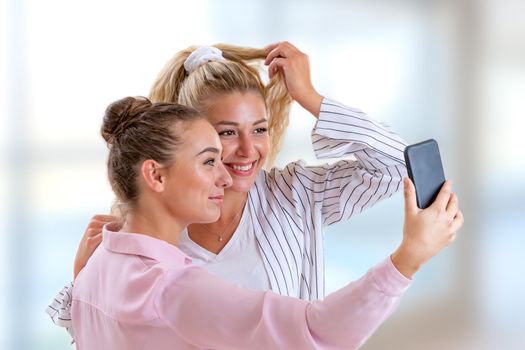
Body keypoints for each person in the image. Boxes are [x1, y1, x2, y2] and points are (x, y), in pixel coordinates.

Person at [49, 42, 413, 334]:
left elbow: (397, 164)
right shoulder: (151, 229)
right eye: (226, 133)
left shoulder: (294, 194)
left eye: (259, 129)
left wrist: (310, 97)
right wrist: (84, 278)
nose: (248, 149)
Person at [69, 96, 462, 349]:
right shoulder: (175, 290)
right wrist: (409, 257)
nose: (225, 176)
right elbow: (317, 332)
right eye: (209, 161)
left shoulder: (93, 271)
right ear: (155, 176)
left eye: (259, 129)